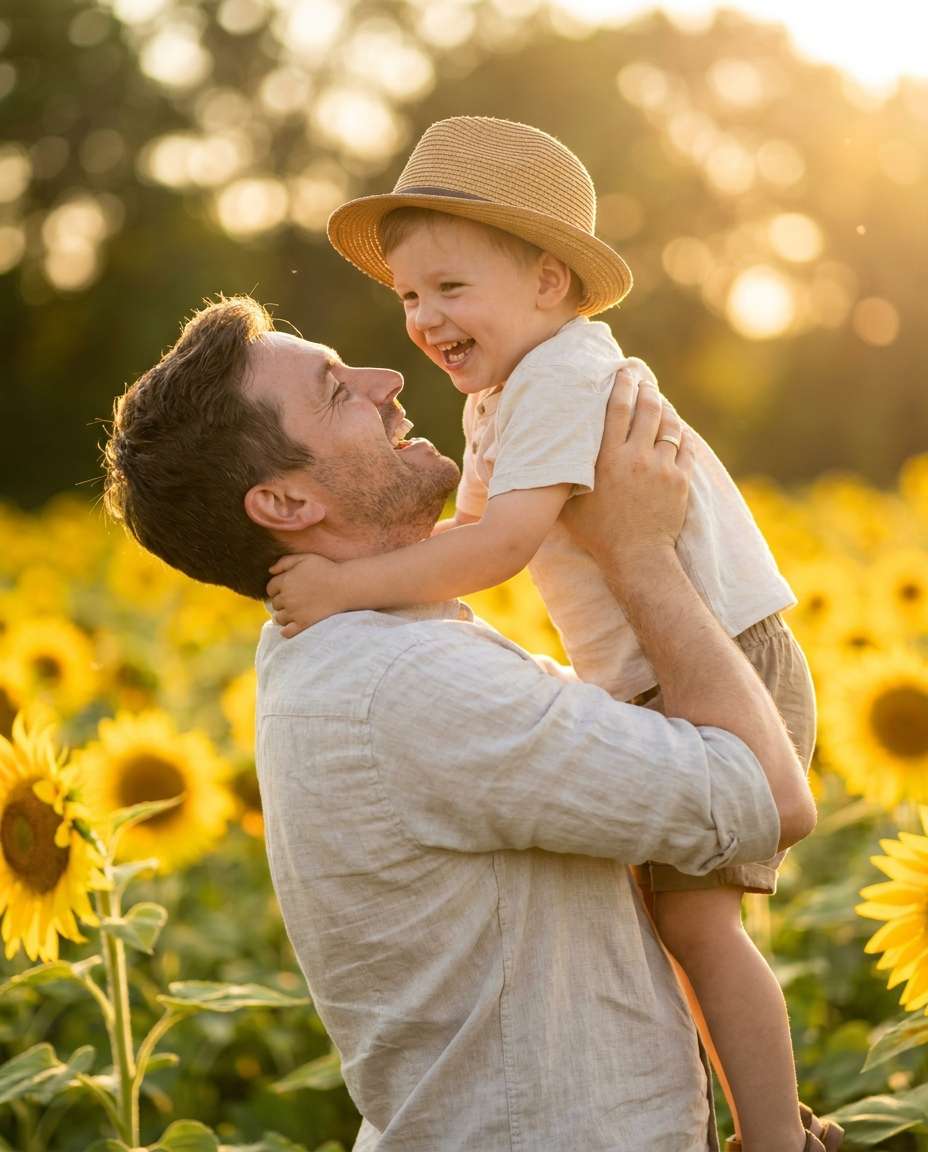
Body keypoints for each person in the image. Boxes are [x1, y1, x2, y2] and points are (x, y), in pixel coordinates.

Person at [102, 295, 819, 1151]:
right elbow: (768, 797)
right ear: (286, 502)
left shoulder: (346, 649)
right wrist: (639, 551)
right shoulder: (407, 682)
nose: (387, 378)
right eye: (336, 391)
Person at [264, 118, 834, 1152]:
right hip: (646, 668)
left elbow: (500, 546)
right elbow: (466, 530)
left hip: (723, 654)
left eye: (450, 287)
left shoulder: (568, 373)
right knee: (664, 926)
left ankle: (776, 1139)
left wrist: (348, 587)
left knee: (699, 927)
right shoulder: (501, 394)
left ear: (548, 282)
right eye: (408, 297)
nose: (424, 320)